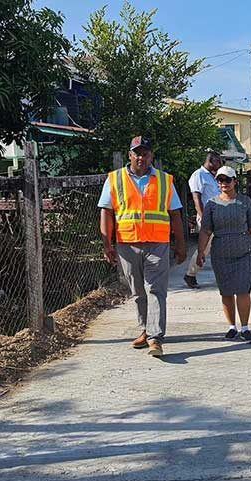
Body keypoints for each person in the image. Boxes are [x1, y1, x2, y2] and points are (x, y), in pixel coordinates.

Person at [98, 136, 186, 357]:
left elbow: (175, 214)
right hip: (127, 244)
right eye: (137, 153)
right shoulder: (114, 179)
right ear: (130, 155)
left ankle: (156, 338)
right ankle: (145, 330)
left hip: (158, 244)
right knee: (138, 292)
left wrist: (181, 244)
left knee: (155, 290)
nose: (141, 157)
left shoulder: (165, 180)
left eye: (145, 154)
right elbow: (106, 212)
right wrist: (107, 243)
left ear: (151, 156)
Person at [196, 166, 251, 343]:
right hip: (221, 254)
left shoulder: (245, 202)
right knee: (226, 292)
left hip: (245, 252)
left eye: (227, 180)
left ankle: (245, 328)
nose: (224, 184)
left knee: (243, 290)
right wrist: (200, 252)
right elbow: (206, 231)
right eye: (220, 180)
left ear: (235, 181)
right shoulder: (211, 205)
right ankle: (232, 327)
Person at [183, 151, 222, 289]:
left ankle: (223, 274)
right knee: (204, 248)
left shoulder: (213, 176)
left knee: (220, 246)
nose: (220, 165)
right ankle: (190, 274)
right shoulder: (198, 175)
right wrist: (205, 218)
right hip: (207, 216)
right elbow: (196, 198)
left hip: (219, 216)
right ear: (211, 161)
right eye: (218, 162)